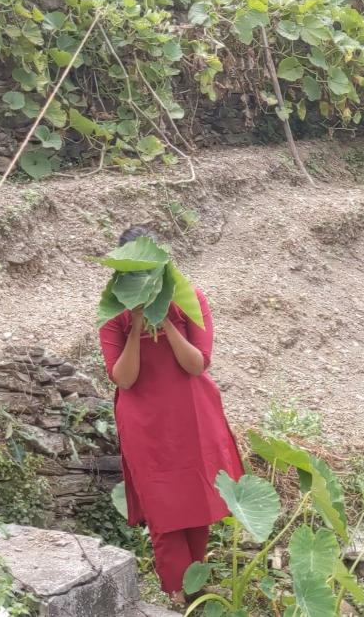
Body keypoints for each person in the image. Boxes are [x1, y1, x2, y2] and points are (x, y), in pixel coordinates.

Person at [98, 225, 244, 606]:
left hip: (192, 415)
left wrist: (164, 320)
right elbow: (124, 379)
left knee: (198, 500)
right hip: (145, 422)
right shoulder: (115, 313)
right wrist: (136, 330)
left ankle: (196, 588)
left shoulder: (188, 297)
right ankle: (178, 594)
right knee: (162, 509)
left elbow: (197, 365)